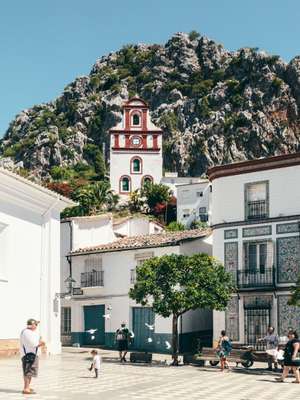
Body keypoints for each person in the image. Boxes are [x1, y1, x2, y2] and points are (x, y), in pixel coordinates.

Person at [20, 319, 45, 395]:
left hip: (30, 354)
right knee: (28, 372)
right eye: (36, 325)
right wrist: (42, 343)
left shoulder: (28, 331)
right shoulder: (27, 333)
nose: (37, 326)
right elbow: (34, 344)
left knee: (29, 372)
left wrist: (40, 340)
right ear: (32, 325)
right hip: (29, 355)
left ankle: (27, 387)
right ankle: (26, 388)